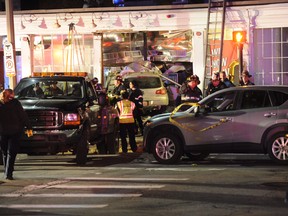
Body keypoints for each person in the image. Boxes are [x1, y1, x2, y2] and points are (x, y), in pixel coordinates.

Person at [0, 89, 32, 180]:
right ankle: (9, 173)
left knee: (4, 152)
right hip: (15, 131)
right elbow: (23, 115)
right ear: (10, 95)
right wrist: (29, 127)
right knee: (11, 153)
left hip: (2, 132)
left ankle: (7, 171)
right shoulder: (15, 103)